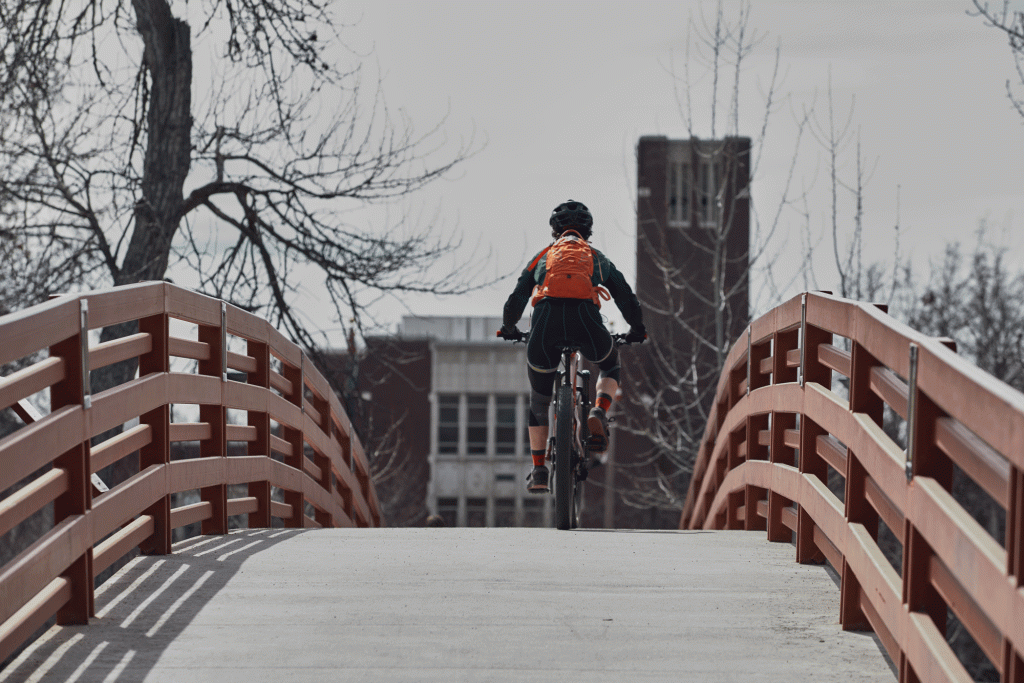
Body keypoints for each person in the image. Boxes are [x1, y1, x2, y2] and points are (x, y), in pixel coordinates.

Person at [499, 200, 646, 494]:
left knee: (540, 400)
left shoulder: (543, 257)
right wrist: (637, 330)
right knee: (609, 363)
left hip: (544, 325)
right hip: (586, 322)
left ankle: (539, 469)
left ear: (554, 232)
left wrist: (510, 327)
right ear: (588, 232)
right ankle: (599, 411)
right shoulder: (595, 257)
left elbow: (517, 296)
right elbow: (625, 296)